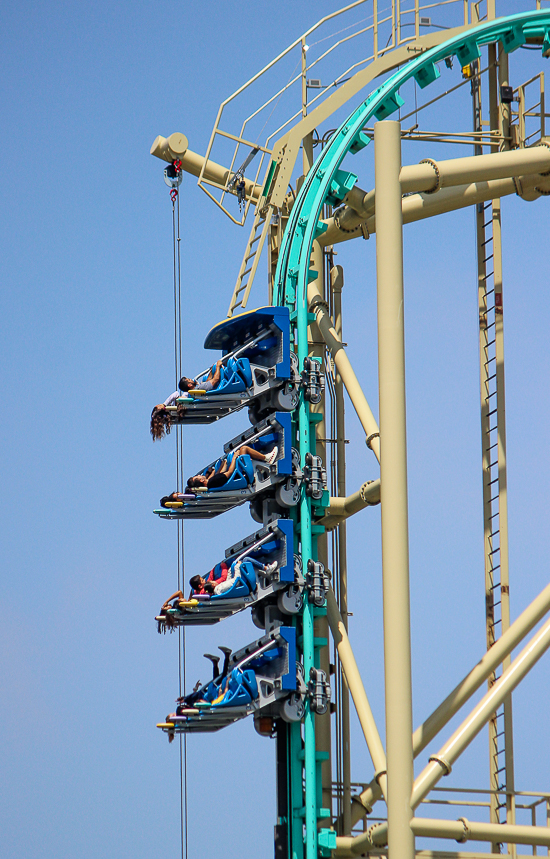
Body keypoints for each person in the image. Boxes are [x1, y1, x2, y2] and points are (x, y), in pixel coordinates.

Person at [159, 443, 278, 505]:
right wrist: (234, 458)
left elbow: (220, 474)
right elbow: (229, 473)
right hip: (242, 477)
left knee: (239, 452)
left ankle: (262, 463)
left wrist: (222, 465)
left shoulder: (210, 483)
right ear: (201, 481)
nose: (200, 475)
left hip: (238, 477)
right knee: (244, 449)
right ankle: (266, 459)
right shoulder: (211, 483)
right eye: (198, 477)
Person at [150, 360, 224, 442]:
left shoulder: (195, 392)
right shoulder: (195, 391)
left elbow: (207, 384)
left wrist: (211, 371)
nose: (192, 379)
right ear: (189, 385)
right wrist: (218, 365)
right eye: (189, 379)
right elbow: (215, 380)